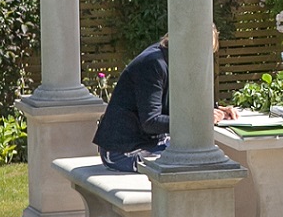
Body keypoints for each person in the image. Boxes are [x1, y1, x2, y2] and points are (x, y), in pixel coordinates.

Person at [94, 31, 233, 173]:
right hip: (122, 152)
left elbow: (183, 102)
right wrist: (197, 121)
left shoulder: (173, 61)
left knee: (210, 156)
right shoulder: (153, 64)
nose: (202, 60)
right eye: (202, 52)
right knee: (200, 163)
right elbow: (150, 122)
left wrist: (215, 110)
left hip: (151, 142)